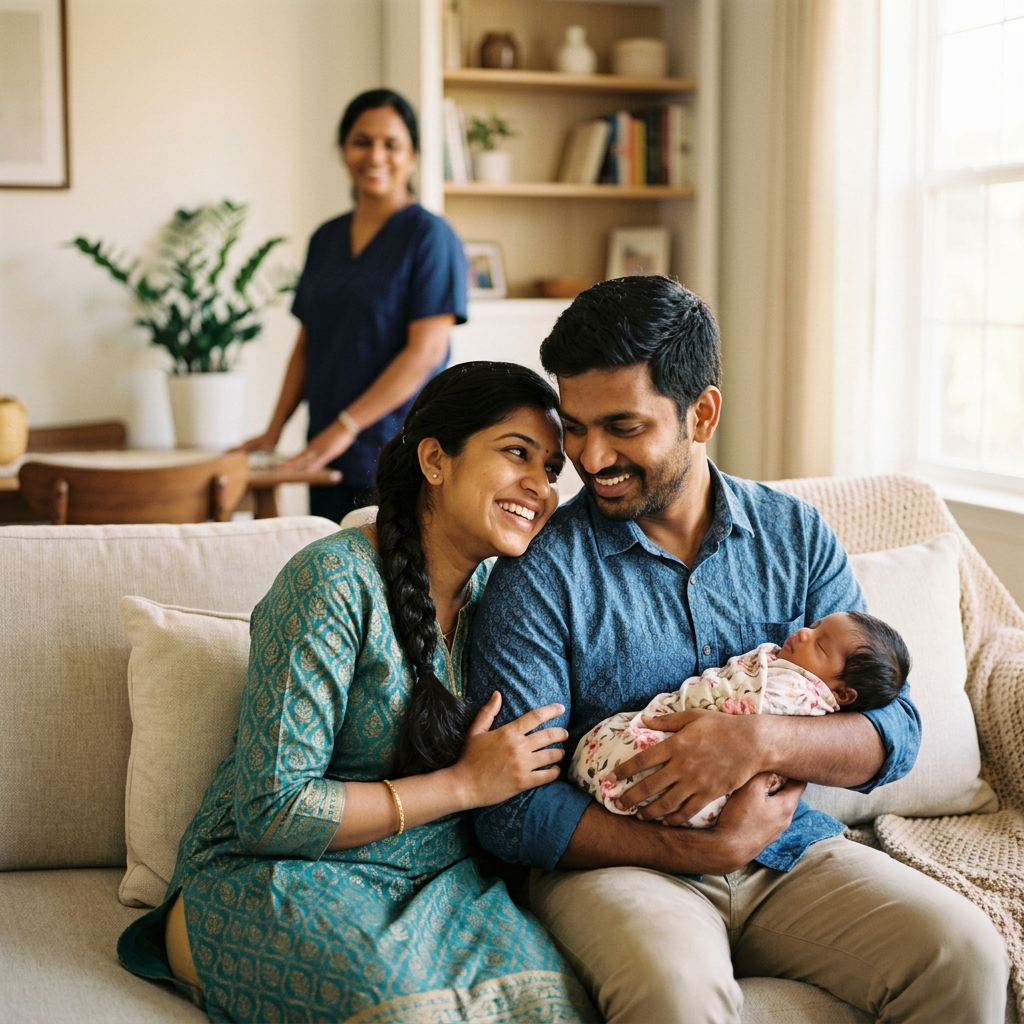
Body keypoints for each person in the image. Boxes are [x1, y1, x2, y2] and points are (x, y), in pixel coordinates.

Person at [468, 277, 1009, 1023]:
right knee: (677, 996)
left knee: (964, 953)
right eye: (577, 426)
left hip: (789, 851)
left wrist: (755, 740)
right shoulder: (537, 572)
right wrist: (702, 852)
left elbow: (895, 729)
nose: (592, 459)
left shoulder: (797, 538)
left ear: (703, 413)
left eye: (623, 426)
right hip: (618, 866)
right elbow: (510, 812)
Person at [118, 362, 595, 1023]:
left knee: (555, 1007)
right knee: (410, 1016)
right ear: (435, 459)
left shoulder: (502, 602)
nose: (539, 487)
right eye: (516, 453)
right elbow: (272, 810)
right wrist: (463, 785)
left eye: (551, 470)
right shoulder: (330, 585)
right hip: (270, 874)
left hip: (436, 882)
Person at [242, 89, 468, 522]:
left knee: (392, 579)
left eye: (391, 144)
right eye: (362, 141)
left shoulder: (430, 238)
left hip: (402, 449)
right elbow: (308, 345)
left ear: (414, 156)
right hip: (326, 454)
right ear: (344, 150)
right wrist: (274, 432)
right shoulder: (325, 239)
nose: (375, 155)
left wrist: (344, 429)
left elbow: (426, 353)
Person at [570, 611, 911, 828]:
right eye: (814, 625)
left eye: (821, 646)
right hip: (646, 854)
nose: (804, 633)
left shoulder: (796, 692)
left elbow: (900, 729)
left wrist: (763, 740)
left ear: (843, 694)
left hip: (778, 832)